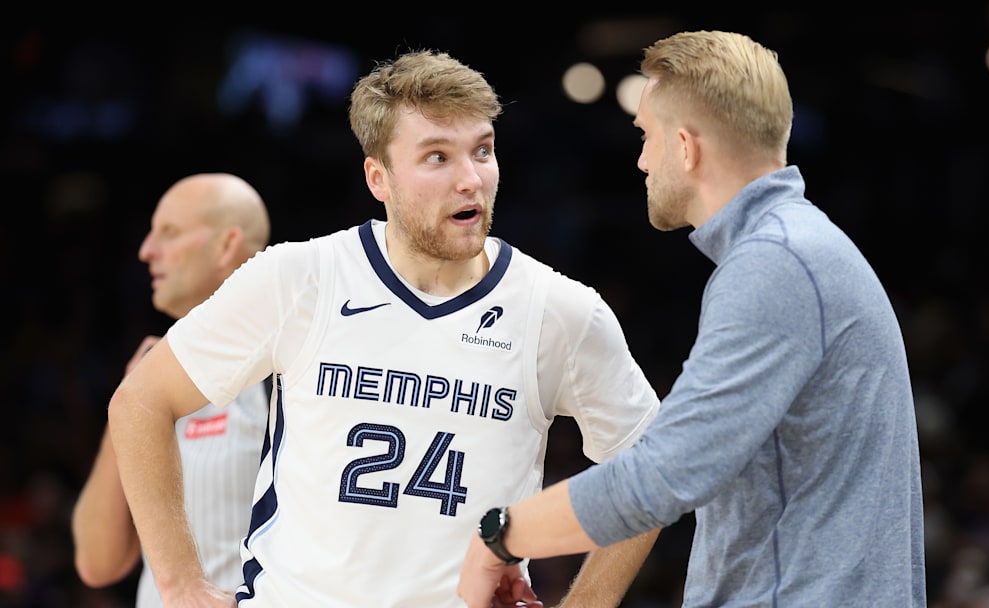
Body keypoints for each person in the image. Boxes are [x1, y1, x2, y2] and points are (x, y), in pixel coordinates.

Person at [106, 49, 662, 607]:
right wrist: (180, 587)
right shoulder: (300, 277)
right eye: (437, 157)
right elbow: (140, 402)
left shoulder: (559, 310)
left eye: (483, 151)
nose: (471, 179)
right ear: (380, 178)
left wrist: (586, 603)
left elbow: (652, 463)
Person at [458, 29, 927, 607]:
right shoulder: (800, 249)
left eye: (647, 137)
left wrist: (500, 537)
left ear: (686, 147)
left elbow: (662, 475)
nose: (641, 160)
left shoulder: (776, 263)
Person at [71, 172, 272, 607]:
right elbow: (96, 563)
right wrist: (130, 405)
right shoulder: (149, 376)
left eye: (170, 232)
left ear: (226, 245)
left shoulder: (288, 372)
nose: (146, 251)